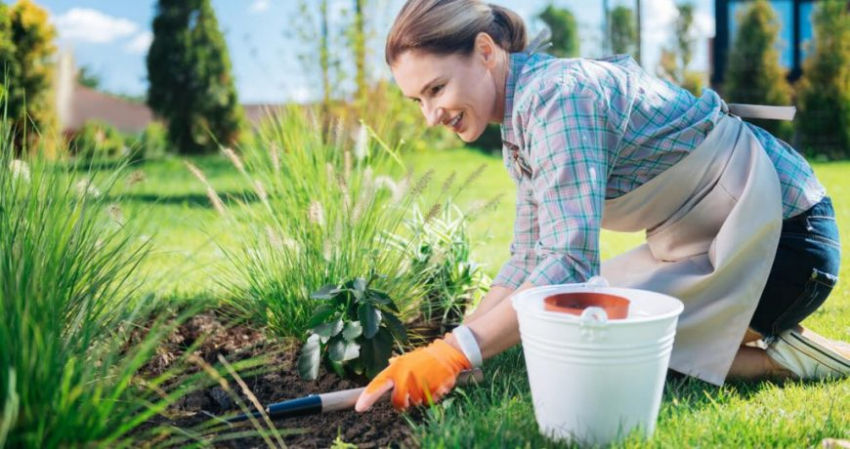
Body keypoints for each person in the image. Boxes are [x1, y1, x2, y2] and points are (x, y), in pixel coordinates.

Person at [356, 0, 849, 413]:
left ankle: (801, 358)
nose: (429, 115)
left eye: (436, 89)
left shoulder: (555, 99)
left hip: (787, 237)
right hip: (725, 239)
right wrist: (455, 349)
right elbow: (529, 260)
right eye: (416, 100)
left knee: (611, 347)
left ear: (485, 51)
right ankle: (784, 350)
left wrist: (455, 352)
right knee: (578, 329)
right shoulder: (521, 126)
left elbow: (569, 265)